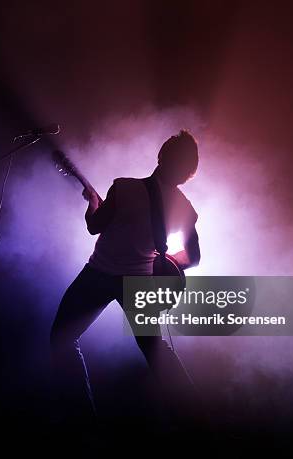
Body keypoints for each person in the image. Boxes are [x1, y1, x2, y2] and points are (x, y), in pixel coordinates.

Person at [50, 130, 201, 419]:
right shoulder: (185, 207)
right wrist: (164, 259)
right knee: (158, 355)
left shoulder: (123, 187)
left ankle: (81, 421)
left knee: (62, 339)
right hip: (140, 283)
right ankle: (199, 423)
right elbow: (193, 258)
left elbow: (95, 225)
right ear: (187, 174)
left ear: (161, 156)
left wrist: (92, 201)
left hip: (99, 274)